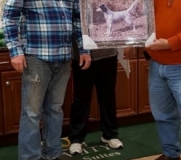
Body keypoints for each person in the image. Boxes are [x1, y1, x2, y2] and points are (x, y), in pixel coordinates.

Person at [2, 0, 91, 159]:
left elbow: (78, 21)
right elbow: (9, 18)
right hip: (36, 57)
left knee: (55, 109)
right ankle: (30, 157)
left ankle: (53, 153)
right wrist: (15, 51)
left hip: (63, 58)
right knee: (32, 112)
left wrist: (84, 49)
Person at [124, 0, 181, 160]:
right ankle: (171, 155)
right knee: (163, 115)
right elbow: (145, 23)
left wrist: (170, 44)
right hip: (157, 65)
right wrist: (134, 42)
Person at [68, 39, 123, 154]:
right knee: (81, 98)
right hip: (82, 55)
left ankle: (110, 135)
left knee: (108, 96)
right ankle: (77, 139)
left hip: (108, 53)